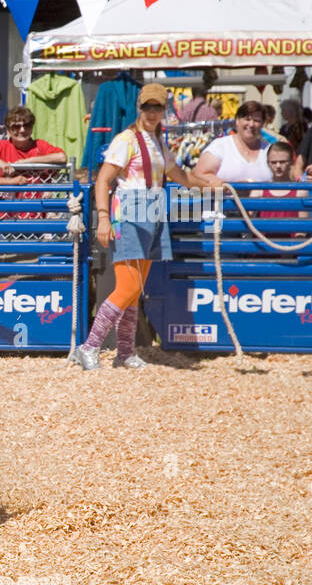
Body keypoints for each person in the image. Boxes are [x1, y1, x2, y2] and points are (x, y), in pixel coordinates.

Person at [71, 83, 210, 371]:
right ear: (139, 108)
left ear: (164, 109)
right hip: (129, 214)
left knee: (135, 289)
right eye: (147, 106)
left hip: (153, 213)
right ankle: (89, 346)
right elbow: (103, 180)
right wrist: (103, 217)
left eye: (157, 107)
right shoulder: (126, 140)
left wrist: (213, 185)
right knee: (128, 286)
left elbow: (181, 176)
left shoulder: (158, 143)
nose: (152, 112)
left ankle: (124, 351)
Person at [194, 100, 270, 185]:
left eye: (256, 120)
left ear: (262, 124)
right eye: (247, 119)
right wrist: (224, 185)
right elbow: (199, 175)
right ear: (237, 121)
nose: (251, 124)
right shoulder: (220, 146)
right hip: (226, 198)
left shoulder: (269, 150)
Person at [259, 142, 305, 222]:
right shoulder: (259, 191)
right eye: (273, 162)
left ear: (291, 162)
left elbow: (303, 227)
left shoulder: (300, 191)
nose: (278, 166)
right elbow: (246, 218)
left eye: (282, 162)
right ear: (268, 163)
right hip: (263, 234)